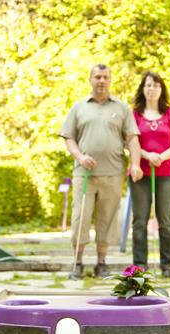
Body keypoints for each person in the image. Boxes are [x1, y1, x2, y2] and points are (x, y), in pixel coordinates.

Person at [60, 64, 143, 279]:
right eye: (97, 76)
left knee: (106, 219)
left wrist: (136, 164)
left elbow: (132, 139)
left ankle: (101, 263)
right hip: (84, 174)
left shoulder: (121, 108)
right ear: (90, 79)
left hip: (113, 174)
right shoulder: (79, 107)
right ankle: (77, 262)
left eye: (105, 77)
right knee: (81, 218)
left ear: (110, 80)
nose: (101, 81)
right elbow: (69, 138)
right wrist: (80, 157)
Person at [129, 72, 170, 278]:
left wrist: (161, 156)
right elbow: (130, 141)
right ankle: (139, 265)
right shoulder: (134, 115)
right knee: (140, 219)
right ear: (142, 89)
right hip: (140, 172)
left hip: (167, 172)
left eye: (155, 85)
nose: (151, 89)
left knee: (165, 219)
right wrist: (146, 155)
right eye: (147, 85)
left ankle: (167, 264)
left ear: (161, 89)